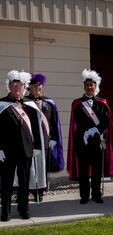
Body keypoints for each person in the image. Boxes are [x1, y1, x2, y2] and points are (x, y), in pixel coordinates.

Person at [67, 69, 113, 204]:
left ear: (95, 87)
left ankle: (96, 194)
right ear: (84, 86)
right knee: (83, 171)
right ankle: (84, 196)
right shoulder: (77, 103)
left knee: (97, 171)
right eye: (87, 85)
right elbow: (76, 122)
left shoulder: (102, 102)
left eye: (92, 85)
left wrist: (96, 129)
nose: (89, 87)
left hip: (97, 141)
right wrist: (86, 132)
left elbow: (106, 121)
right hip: (82, 141)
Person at [0, 70, 40, 221]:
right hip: (7, 151)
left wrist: (36, 146)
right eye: (14, 84)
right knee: (6, 183)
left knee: (24, 182)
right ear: (9, 86)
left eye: (20, 85)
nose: (17, 87)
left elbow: (36, 127)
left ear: (25, 87)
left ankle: (24, 209)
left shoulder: (30, 105)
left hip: (26, 149)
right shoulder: (1, 104)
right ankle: (6, 212)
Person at [25, 73, 64, 201]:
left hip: (45, 141)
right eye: (35, 86)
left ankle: (40, 191)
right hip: (30, 141)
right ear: (29, 87)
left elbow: (54, 121)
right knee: (31, 167)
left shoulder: (49, 102)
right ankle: (30, 190)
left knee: (43, 167)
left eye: (39, 86)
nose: (38, 88)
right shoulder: (24, 102)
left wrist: (53, 139)